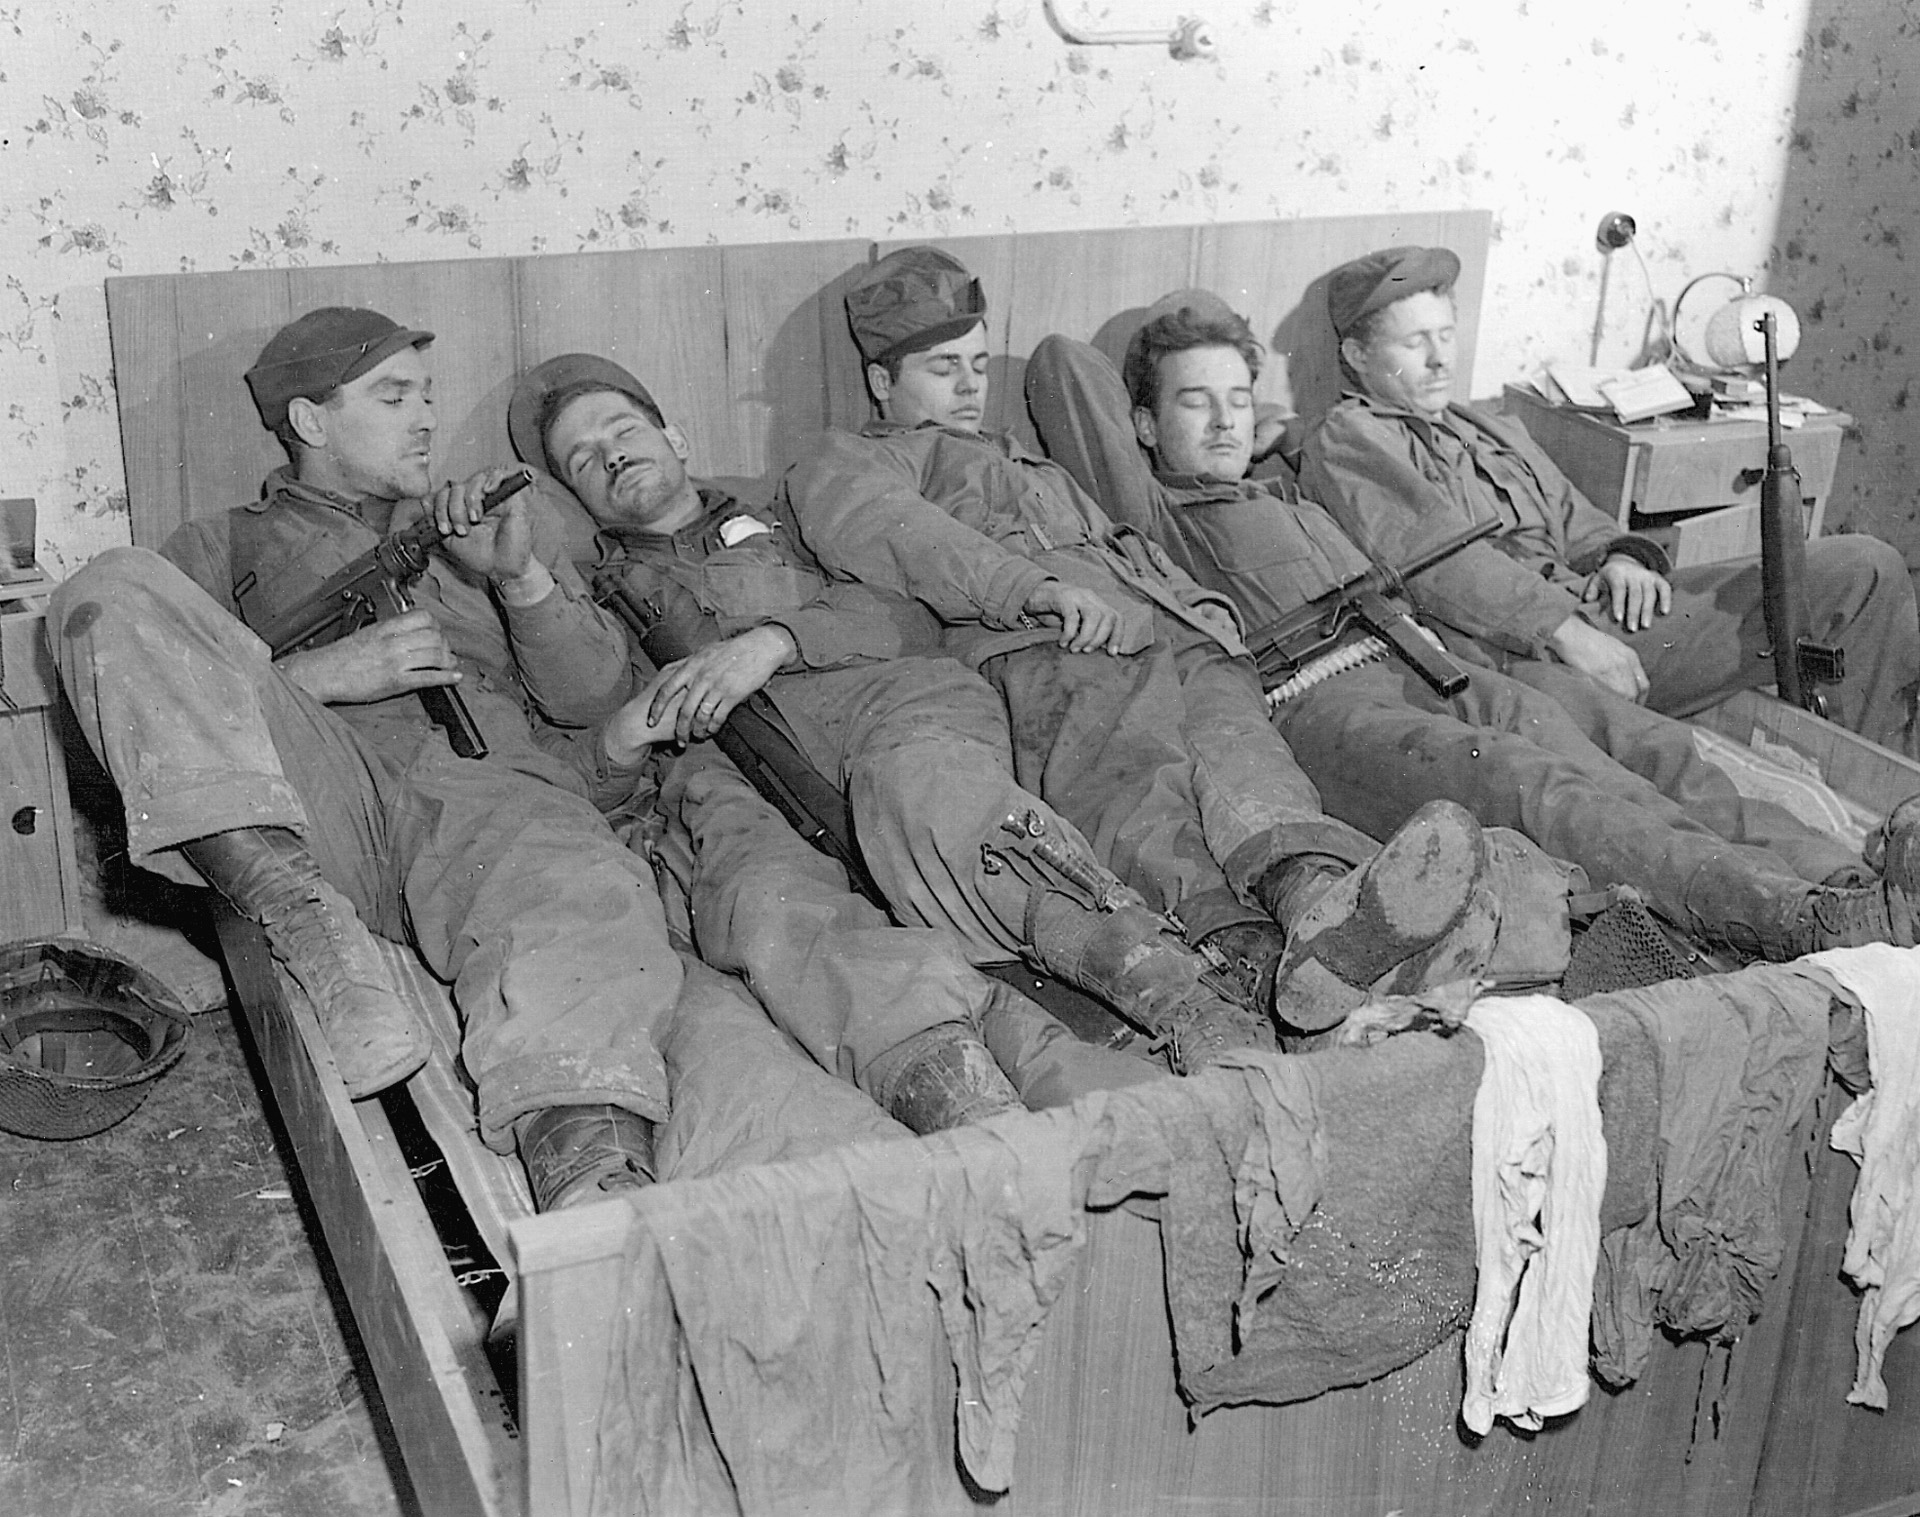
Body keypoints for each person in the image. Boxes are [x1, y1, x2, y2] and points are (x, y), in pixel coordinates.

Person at [1024, 291, 1920, 960]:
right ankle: (1787, 914)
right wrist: (1199, 347)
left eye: (1236, 394)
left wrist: (1271, 432)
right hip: (1318, 703)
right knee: (1543, 791)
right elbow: (1065, 362)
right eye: (1193, 401)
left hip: (1423, 652)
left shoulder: (1287, 480)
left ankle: (1850, 879)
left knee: (1642, 749)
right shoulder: (1143, 510)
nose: (1224, 419)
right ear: (1139, 422)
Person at [48, 306, 687, 1213]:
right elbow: (124, 709)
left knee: (579, 889)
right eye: (394, 397)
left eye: (428, 395)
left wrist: (518, 576)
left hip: (486, 804)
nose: (427, 417)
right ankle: (308, 931)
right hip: (315, 808)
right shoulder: (218, 543)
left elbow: (590, 700)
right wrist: (313, 677)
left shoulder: (478, 521)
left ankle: (591, 1190)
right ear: (310, 421)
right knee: (104, 586)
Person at [781, 246, 1508, 1034]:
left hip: (1172, 630)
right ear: (883, 381)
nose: (969, 387)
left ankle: (1320, 904)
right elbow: (899, 533)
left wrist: (1201, 607)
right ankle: (1254, 969)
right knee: (1144, 796)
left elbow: (1122, 536)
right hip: (1052, 642)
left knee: (1251, 768)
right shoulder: (852, 458)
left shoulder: (1022, 460)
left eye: (978, 364)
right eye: (941, 368)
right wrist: (1031, 589)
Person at [508, 351, 1276, 1075]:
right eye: (582, 459)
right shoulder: (596, 597)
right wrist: (529, 585)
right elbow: (583, 705)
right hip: (745, 788)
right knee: (765, 911)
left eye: (623, 430)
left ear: (673, 435)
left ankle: (1184, 999)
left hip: (894, 712)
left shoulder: (791, 514)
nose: (610, 455)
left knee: (928, 798)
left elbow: (908, 612)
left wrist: (777, 640)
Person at [1299, 245, 1920, 759]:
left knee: (1861, 566)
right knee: (1856, 584)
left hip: (1594, 609)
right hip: (1530, 648)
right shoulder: (1350, 439)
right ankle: (1888, 802)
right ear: (1357, 357)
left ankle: (1877, 784)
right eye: (1414, 345)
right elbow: (1439, 565)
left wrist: (1622, 558)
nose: (1439, 359)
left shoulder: (1478, 423)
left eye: (1446, 335)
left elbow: (1576, 515)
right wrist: (1569, 633)